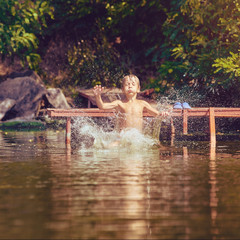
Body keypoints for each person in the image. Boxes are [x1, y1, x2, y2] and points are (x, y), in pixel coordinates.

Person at [93, 74, 169, 133]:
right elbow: (102, 106)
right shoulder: (119, 103)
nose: (130, 86)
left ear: (138, 89)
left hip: (137, 137)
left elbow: (156, 114)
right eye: (127, 84)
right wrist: (97, 96)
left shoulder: (142, 104)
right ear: (122, 89)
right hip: (123, 137)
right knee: (109, 147)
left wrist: (163, 114)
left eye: (133, 84)